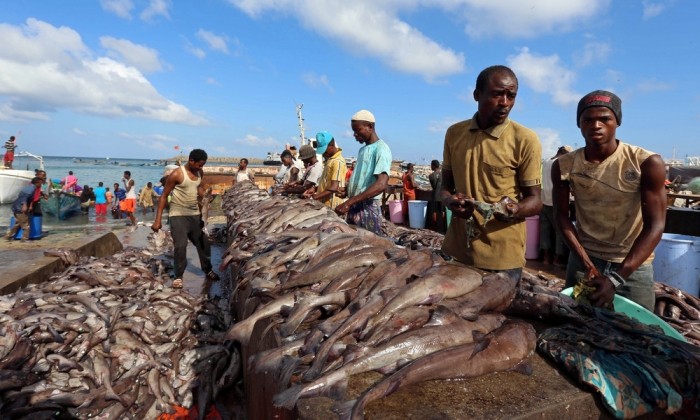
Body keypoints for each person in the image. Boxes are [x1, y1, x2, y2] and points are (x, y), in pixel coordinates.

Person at [552, 90, 666, 311]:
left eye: (604, 118)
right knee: (577, 325)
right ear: (579, 124)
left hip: (632, 265)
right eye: (588, 119)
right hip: (584, 258)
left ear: (617, 122)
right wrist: (586, 263)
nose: (596, 125)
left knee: (638, 334)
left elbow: (656, 225)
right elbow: (561, 216)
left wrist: (616, 278)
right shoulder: (564, 165)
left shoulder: (645, 162)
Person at [440, 65, 543, 281]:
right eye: (497, 94)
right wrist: (451, 202)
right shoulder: (455, 133)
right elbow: (445, 188)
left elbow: (535, 200)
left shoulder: (525, 139)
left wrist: (513, 209)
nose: (505, 102)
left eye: (511, 96)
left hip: (501, 258)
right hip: (457, 250)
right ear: (477, 95)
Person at [151, 149, 220, 288]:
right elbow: (163, 196)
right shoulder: (176, 174)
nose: (201, 168)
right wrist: (157, 220)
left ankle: (208, 269)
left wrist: (205, 197)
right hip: (178, 214)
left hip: (194, 214)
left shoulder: (199, 172)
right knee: (181, 246)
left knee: (204, 244)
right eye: (200, 164)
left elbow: (198, 187)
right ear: (191, 160)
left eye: (203, 165)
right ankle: (178, 276)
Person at [335, 110, 392, 235]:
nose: (355, 135)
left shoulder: (381, 149)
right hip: (354, 206)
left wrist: (349, 202)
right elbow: (362, 179)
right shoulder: (362, 150)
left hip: (368, 208)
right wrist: (348, 190)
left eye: (358, 130)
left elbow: (381, 184)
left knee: (369, 247)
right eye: (354, 131)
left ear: (370, 127)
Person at [539, 146, 572, 266]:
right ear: (564, 153)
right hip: (556, 201)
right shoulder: (560, 163)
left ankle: (546, 257)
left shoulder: (546, 161)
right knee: (560, 231)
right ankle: (558, 258)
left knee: (545, 230)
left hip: (544, 199)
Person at [308, 131, 347, 209]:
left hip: (333, 205)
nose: (323, 153)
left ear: (332, 145)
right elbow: (326, 183)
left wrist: (315, 197)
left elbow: (334, 187)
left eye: (325, 150)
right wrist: (315, 189)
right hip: (325, 203)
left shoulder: (338, 161)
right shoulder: (330, 160)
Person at [5, 177, 42, 242]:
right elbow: (24, 197)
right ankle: (24, 239)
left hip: (16, 207)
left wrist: (30, 205)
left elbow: (30, 198)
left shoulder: (31, 187)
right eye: (40, 183)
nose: (41, 184)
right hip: (19, 208)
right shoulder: (30, 189)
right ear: (37, 183)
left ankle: (8, 236)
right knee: (26, 224)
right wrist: (24, 205)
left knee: (18, 223)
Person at [427, 160, 444, 231]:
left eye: (431, 165)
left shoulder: (431, 176)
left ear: (434, 166)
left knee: (434, 212)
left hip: (435, 196)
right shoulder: (443, 175)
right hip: (443, 196)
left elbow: (434, 187)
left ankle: (435, 227)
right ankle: (443, 226)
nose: (431, 166)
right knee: (442, 211)